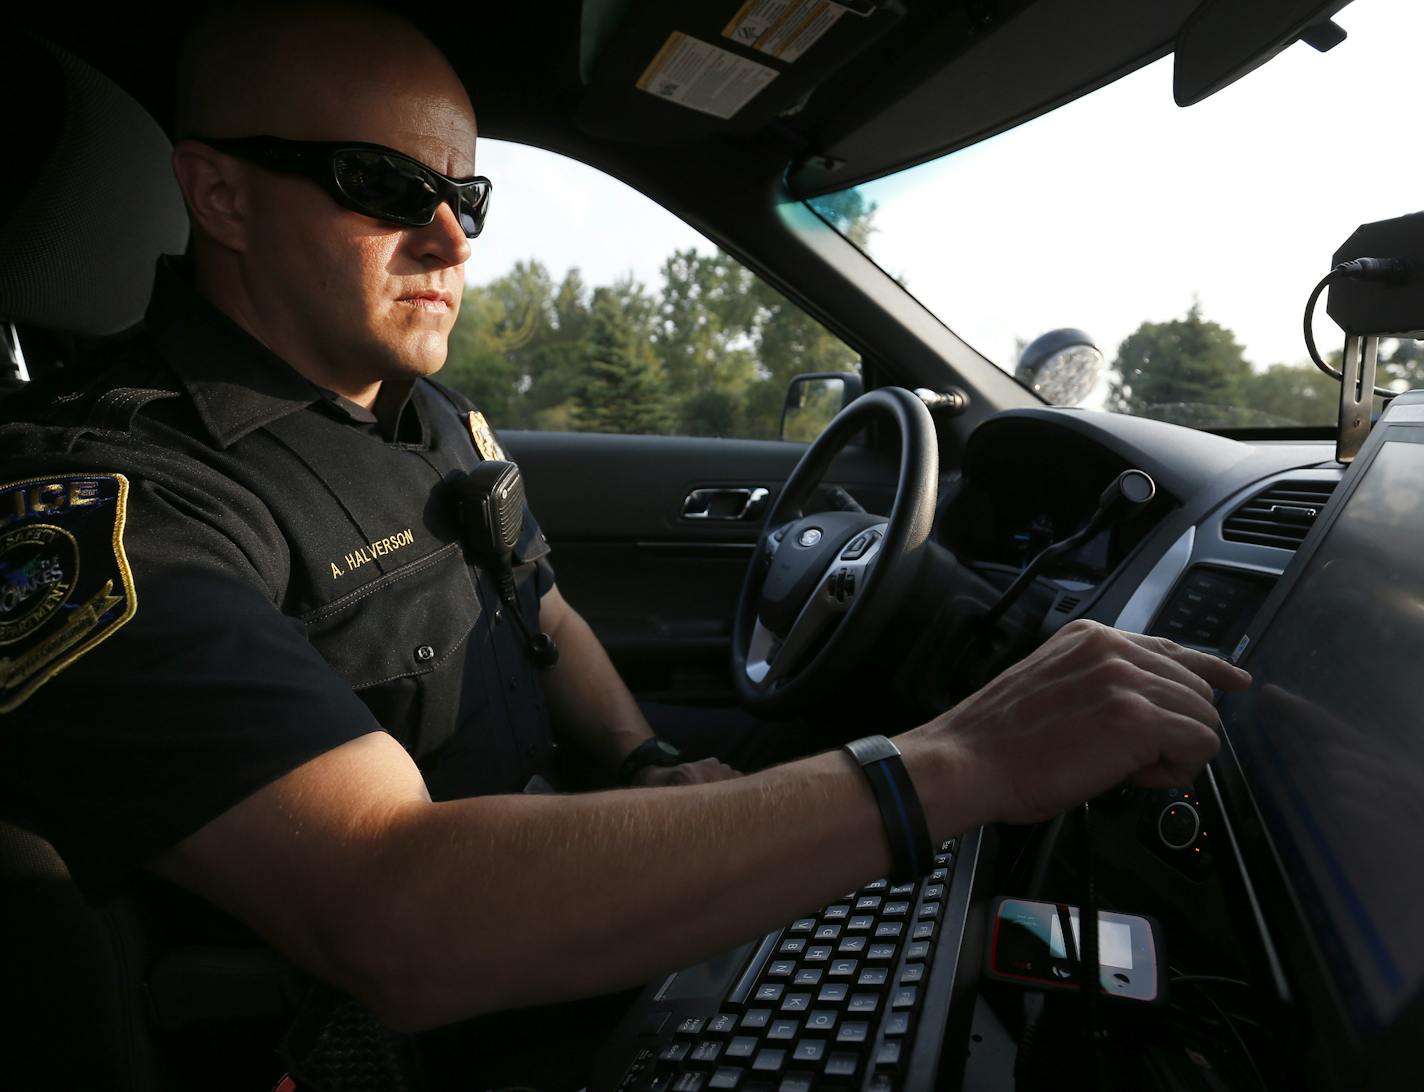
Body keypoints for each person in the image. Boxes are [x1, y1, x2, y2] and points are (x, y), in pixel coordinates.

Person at [0, 3, 1249, 1088]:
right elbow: (391, 909)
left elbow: (538, 612)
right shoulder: (109, 500)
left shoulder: (415, 409)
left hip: (548, 908)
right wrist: (953, 763)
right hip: (410, 1036)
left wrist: (646, 760)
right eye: (382, 187)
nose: (450, 240)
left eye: (464, 194)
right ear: (218, 191)